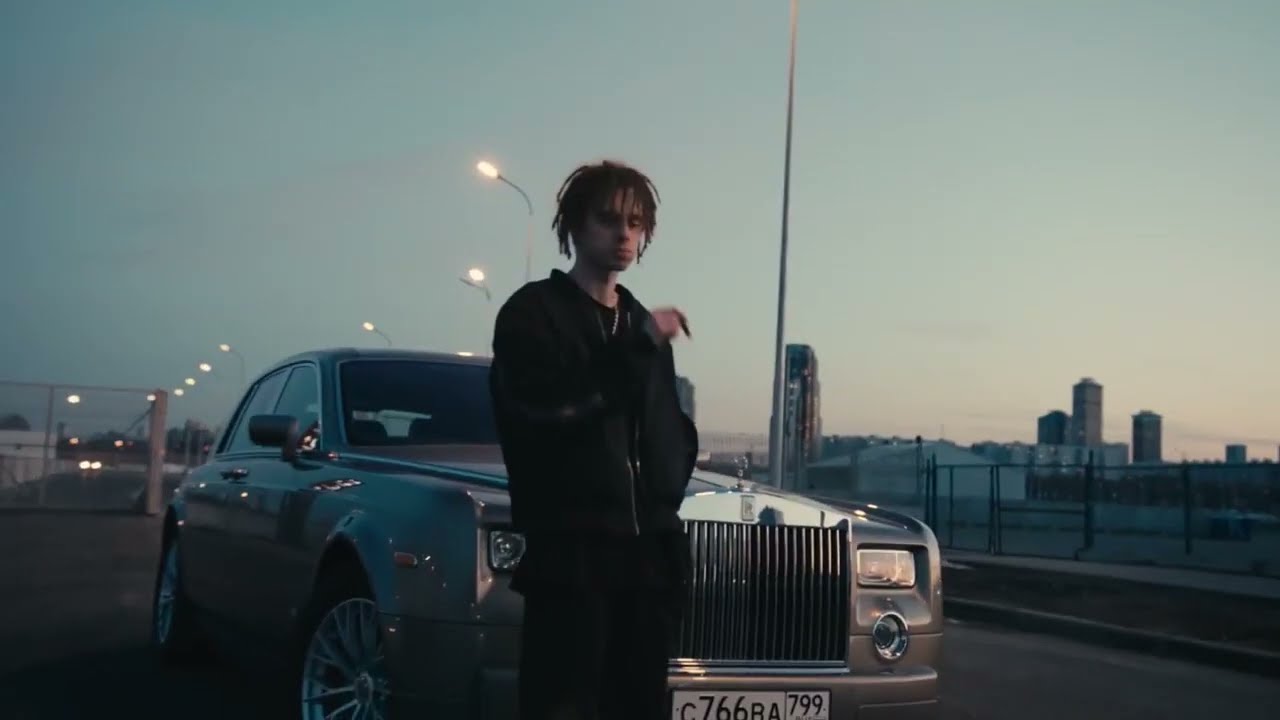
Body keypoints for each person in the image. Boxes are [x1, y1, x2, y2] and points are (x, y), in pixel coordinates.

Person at [488, 159, 699, 719]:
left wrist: (665, 504)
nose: (624, 235)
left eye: (635, 223)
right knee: (565, 704)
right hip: (572, 557)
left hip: (647, 561)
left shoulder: (639, 322)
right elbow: (552, 408)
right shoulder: (533, 313)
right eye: (608, 220)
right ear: (576, 226)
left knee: (638, 706)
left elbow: (666, 428)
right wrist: (641, 346)